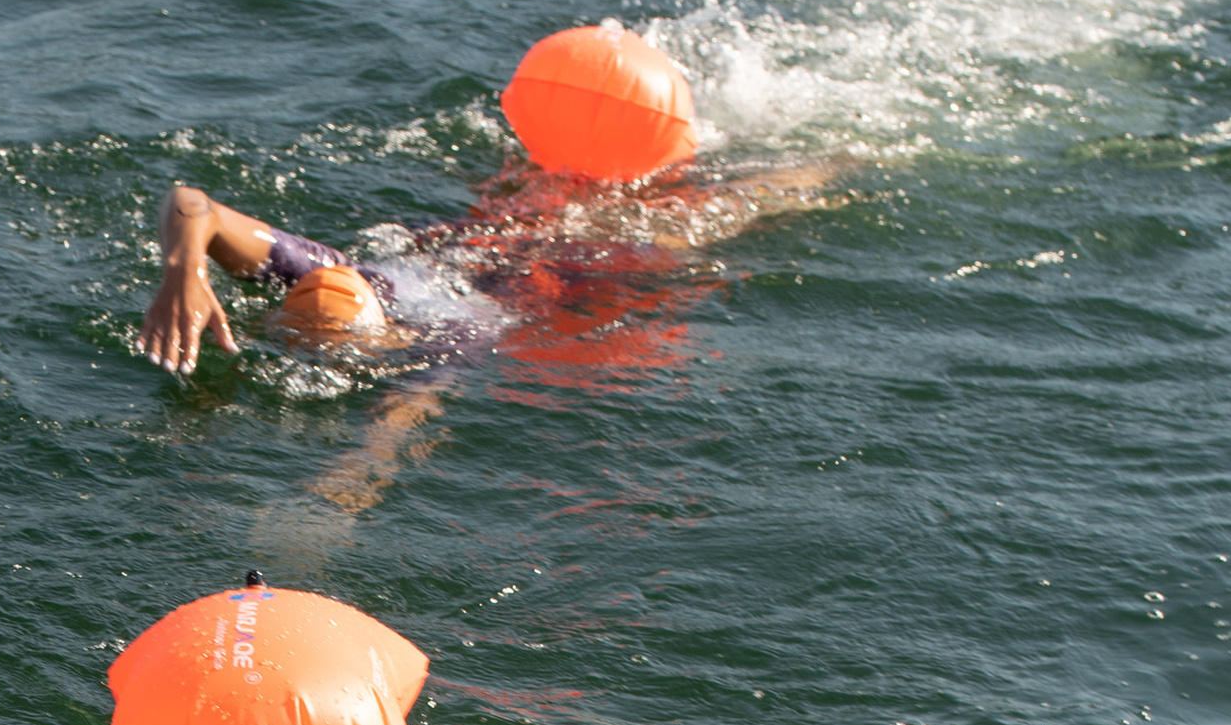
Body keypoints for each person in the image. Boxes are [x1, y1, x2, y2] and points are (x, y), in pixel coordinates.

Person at [132, 149, 850, 527]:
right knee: (570, 197)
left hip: (568, 270)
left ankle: (836, 164)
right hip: (493, 244)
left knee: (697, 222)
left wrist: (340, 493)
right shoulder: (330, 274)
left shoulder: (444, 333)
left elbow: (401, 422)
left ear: (384, 337)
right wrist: (182, 271)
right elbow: (191, 202)